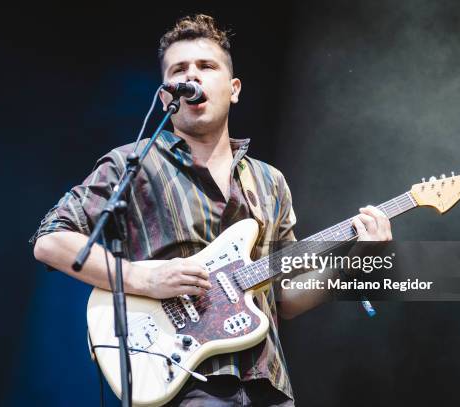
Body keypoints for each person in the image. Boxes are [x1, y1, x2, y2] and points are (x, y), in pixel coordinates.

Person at [31, 14, 392, 406]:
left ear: (233, 88)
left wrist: (353, 267)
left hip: (267, 387)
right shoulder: (135, 163)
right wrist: (141, 278)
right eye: (180, 70)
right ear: (168, 95)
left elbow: (285, 298)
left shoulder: (270, 182)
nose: (193, 77)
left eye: (206, 67)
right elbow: (50, 240)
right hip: (182, 379)